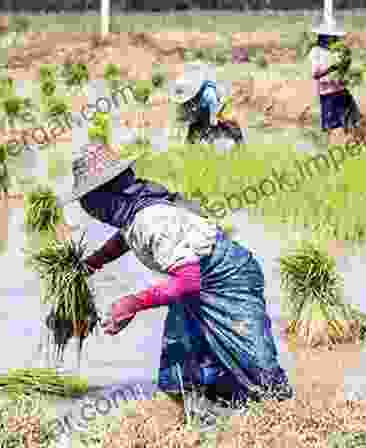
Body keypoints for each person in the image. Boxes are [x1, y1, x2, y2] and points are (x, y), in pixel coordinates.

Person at [60, 142, 293, 420]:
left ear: (106, 194)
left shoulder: (152, 219)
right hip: (194, 281)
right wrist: (94, 262)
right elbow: (128, 237)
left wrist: (132, 303)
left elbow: (188, 281)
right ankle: (188, 422)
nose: (89, 207)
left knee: (254, 359)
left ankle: (283, 416)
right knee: (181, 356)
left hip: (229, 280)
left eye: (90, 200)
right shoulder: (136, 208)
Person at [309, 19, 360, 145]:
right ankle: (333, 150)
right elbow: (316, 74)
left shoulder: (339, 50)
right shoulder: (316, 52)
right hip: (328, 94)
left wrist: (346, 64)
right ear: (324, 36)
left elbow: (344, 70)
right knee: (332, 128)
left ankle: (352, 148)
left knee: (352, 123)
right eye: (333, 36)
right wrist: (332, 68)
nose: (336, 39)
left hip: (342, 91)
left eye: (336, 37)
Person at [169, 63, 222, 144]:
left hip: (212, 109)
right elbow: (180, 118)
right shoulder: (184, 91)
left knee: (209, 133)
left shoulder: (208, 94)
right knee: (190, 137)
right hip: (199, 110)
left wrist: (211, 125)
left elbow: (213, 118)